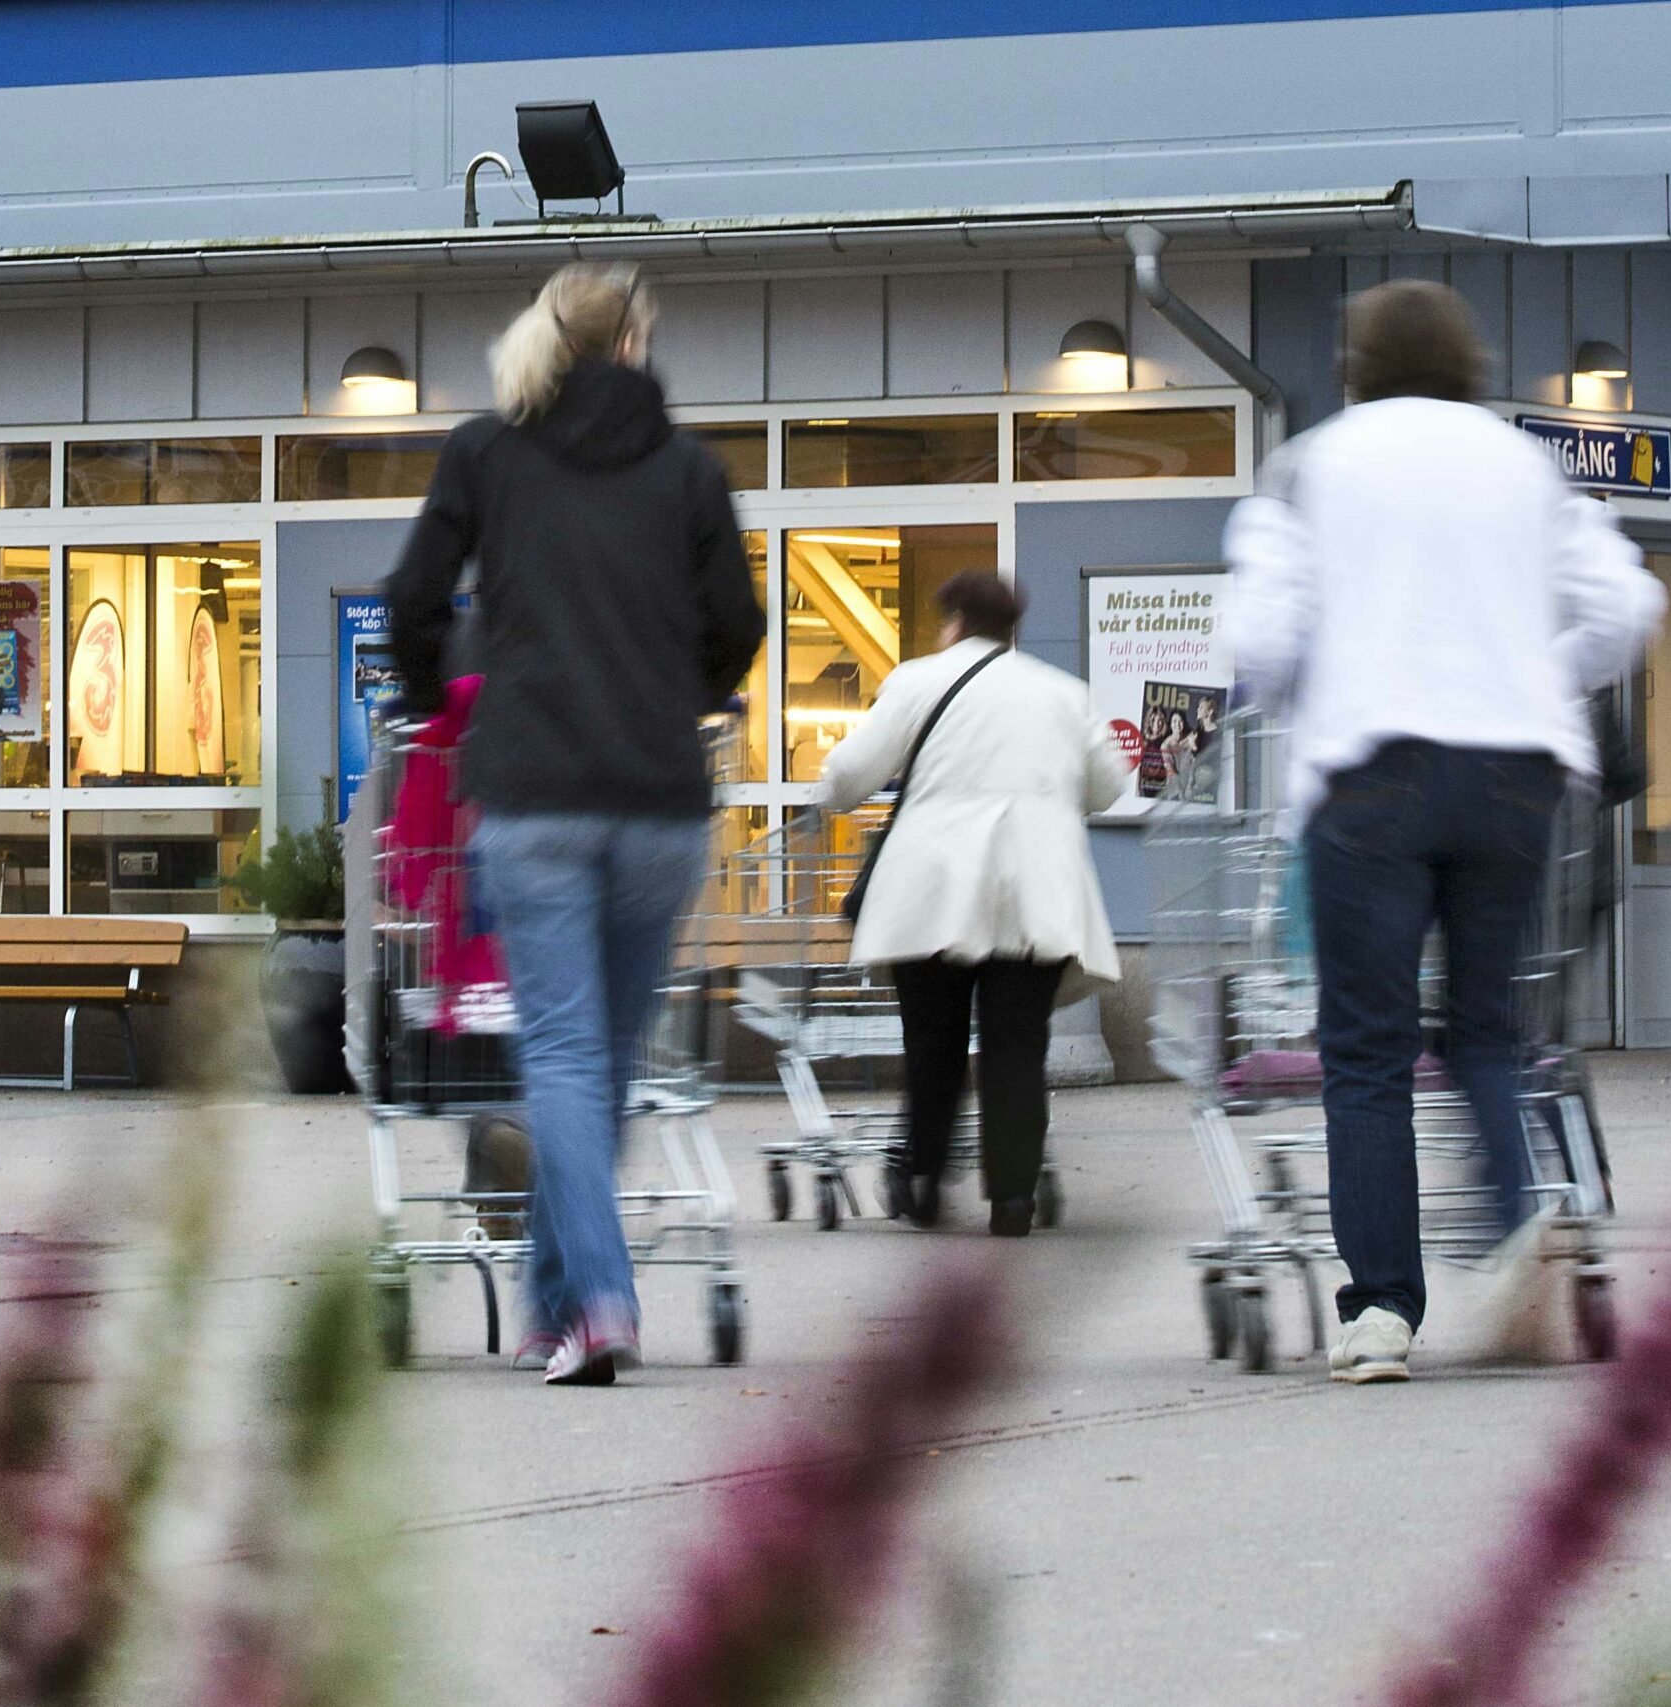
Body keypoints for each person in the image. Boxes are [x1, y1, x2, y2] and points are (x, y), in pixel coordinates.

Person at [1225, 281, 1663, 1384]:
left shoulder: (1310, 467)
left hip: (1371, 771)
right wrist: (1538, 679)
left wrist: (1298, 689)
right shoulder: (1527, 467)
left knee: (1367, 1051)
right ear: (1469, 361)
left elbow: (1263, 639)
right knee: (1483, 1029)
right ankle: (1517, 1218)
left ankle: (1381, 1310)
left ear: (1353, 364)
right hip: (1515, 777)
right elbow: (1626, 607)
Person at [385, 262, 764, 1386]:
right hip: (657, 803)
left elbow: (412, 599)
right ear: (636, 344)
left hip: (535, 793)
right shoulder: (689, 470)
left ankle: (599, 1302)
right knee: (600, 1064)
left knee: (560, 1053)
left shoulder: (486, 453)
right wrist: (681, 696)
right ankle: (556, 1307)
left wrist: (433, 703)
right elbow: (737, 622)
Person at [815, 573, 1126, 1235]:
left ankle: (924, 1180)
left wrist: (830, 792)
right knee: (1018, 1045)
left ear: (954, 620)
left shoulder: (916, 681)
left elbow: (845, 778)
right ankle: (1012, 1198)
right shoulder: (1062, 693)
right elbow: (1107, 787)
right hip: (1033, 892)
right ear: (1012, 627)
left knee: (933, 1042)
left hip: (932, 890)